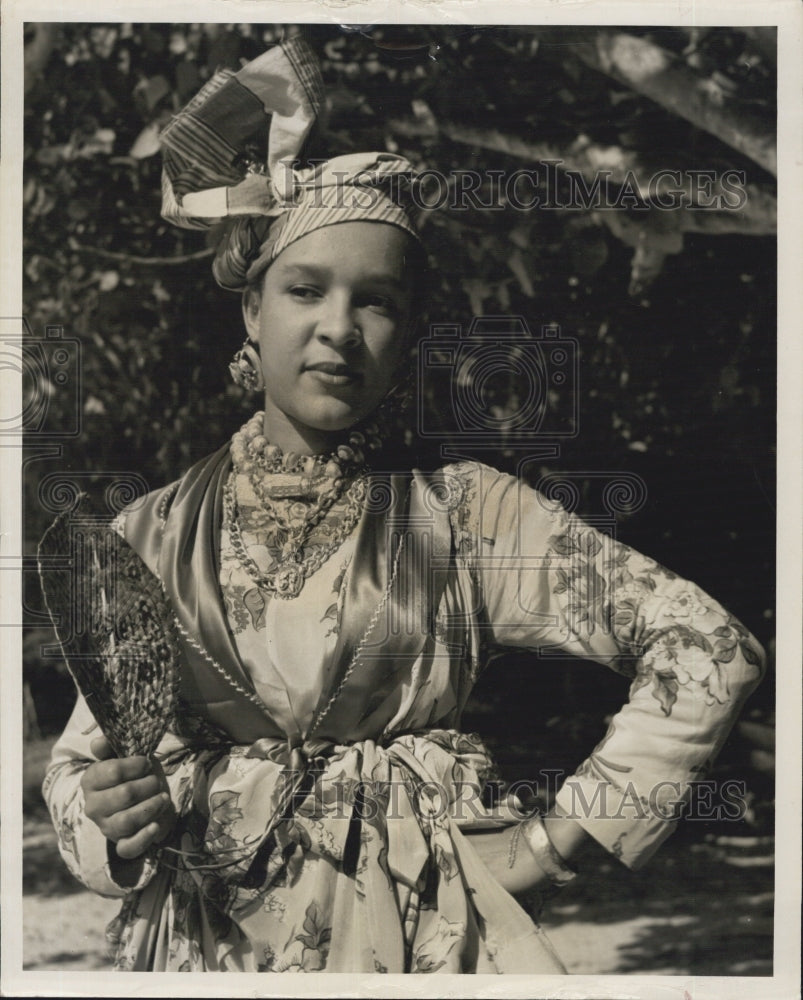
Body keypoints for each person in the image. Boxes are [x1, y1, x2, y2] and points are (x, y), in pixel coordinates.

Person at [42, 35, 766, 974]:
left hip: (425, 941)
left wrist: (554, 842)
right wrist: (106, 818)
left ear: (409, 332)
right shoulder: (149, 534)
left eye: (375, 301)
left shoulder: (468, 516)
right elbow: (77, 771)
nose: (338, 328)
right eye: (305, 288)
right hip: (207, 950)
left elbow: (710, 646)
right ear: (251, 313)